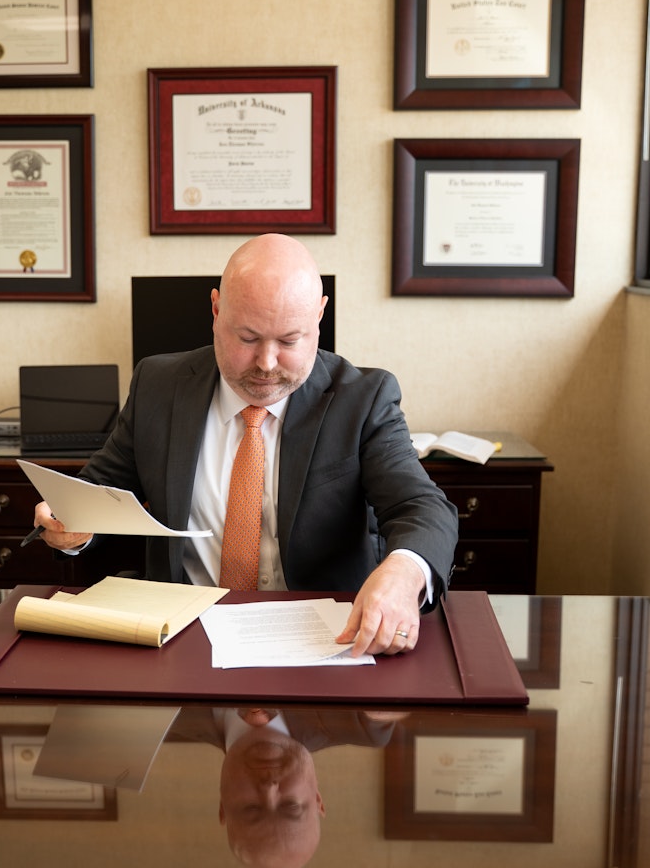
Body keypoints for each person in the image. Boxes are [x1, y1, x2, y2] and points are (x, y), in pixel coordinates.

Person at [32, 233, 458, 656]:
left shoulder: (363, 399)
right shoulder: (159, 386)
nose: (267, 364)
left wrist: (404, 572)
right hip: (181, 635)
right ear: (216, 310)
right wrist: (69, 527)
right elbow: (96, 493)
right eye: (248, 338)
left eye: (290, 341)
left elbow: (421, 507)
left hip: (322, 639)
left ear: (320, 316)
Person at [168, 705, 406, 868]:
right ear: (317, 799)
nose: (269, 789)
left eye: (251, 808)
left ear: (222, 807)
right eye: (290, 805)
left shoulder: (163, 714)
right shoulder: (363, 720)